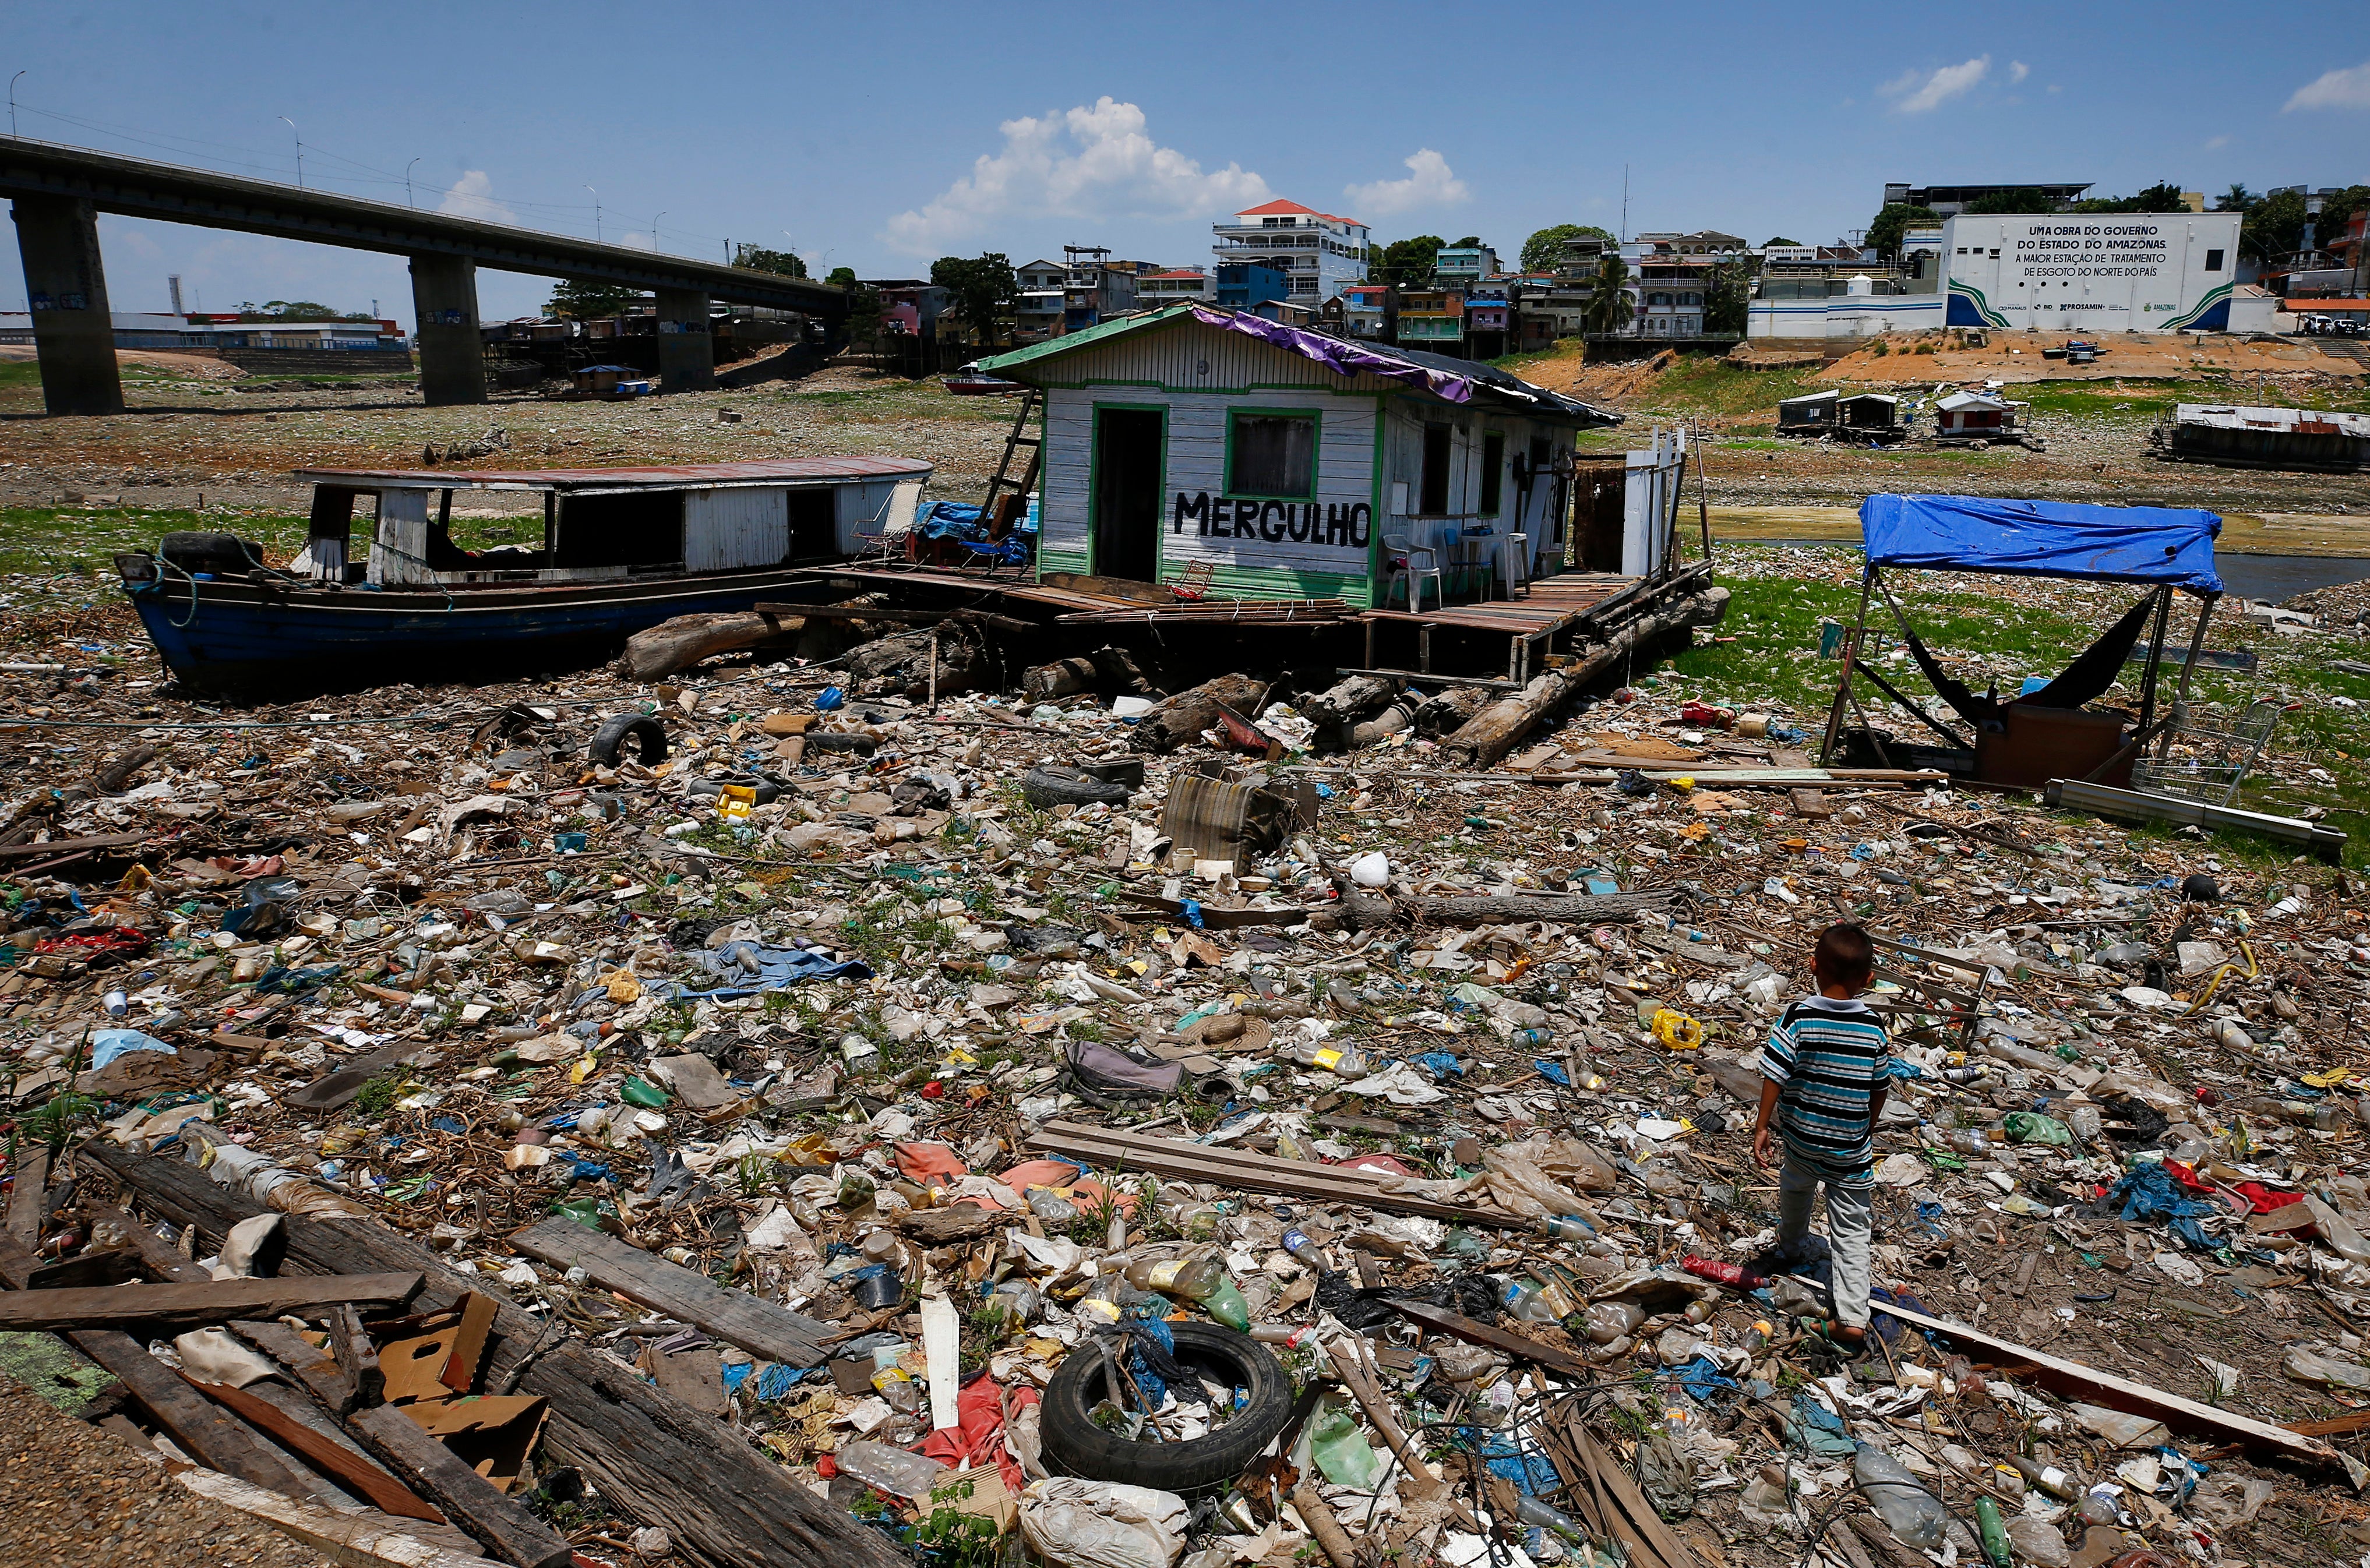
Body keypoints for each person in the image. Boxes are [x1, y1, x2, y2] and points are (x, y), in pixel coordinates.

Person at [1751, 921, 1891, 1347]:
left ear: (1812, 966)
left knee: (1796, 1187)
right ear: (1869, 980)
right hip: (1850, 1148)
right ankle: (1851, 1315)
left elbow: (1775, 1073)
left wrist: (1762, 1125)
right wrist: (1866, 1126)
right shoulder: (1874, 1028)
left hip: (1801, 1137)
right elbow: (1879, 1087)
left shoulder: (1799, 1016)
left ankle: (1791, 1247)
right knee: (1851, 1228)